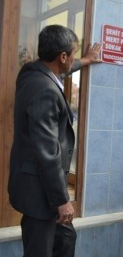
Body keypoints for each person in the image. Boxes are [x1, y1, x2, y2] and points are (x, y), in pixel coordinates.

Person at [8, 25, 79, 257]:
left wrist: (86, 60)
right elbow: (47, 151)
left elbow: (63, 70)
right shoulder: (45, 89)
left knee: (66, 239)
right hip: (41, 194)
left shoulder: (32, 75)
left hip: (38, 187)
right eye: (74, 54)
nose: (74, 59)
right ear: (63, 56)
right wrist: (61, 199)